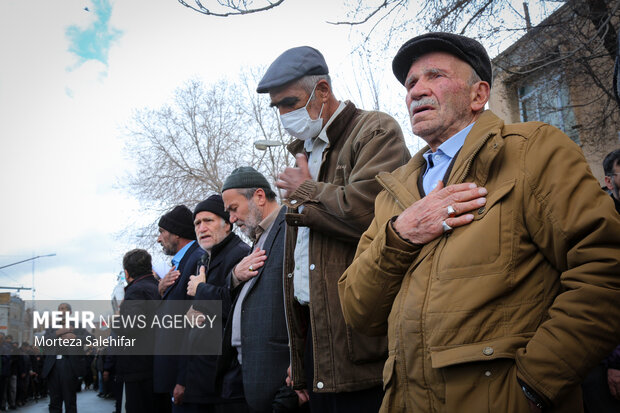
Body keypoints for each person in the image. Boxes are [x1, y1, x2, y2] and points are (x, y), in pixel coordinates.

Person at [338, 32, 620, 413]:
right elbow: (359, 310)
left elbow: (605, 268)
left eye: (434, 76)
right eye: (410, 83)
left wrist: (533, 386)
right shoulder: (393, 192)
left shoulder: (532, 150)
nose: (415, 91)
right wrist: (401, 234)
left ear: (478, 95)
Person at [257, 46, 410, 412]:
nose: (283, 114)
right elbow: (306, 266)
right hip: (320, 346)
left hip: (365, 345)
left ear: (322, 90)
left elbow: (376, 214)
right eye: (277, 106)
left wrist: (307, 191)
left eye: (289, 102)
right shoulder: (304, 154)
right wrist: (302, 352)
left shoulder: (375, 130)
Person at [218, 167, 299, 412]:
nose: (231, 219)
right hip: (250, 378)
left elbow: (305, 304)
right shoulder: (258, 238)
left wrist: (300, 367)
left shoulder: (291, 227)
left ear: (260, 197)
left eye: (234, 209)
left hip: (280, 383)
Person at [179, 194, 250, 413]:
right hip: (202, 381)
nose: (201, 228)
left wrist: (202, 293)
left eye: (208, 221)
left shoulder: (241, 255)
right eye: (197, 223)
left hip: (227, 385)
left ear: (227, 223)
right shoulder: (205, 260)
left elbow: (241, 310)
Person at [152, 205, 204, 413]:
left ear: (177, 234)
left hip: (185, 381)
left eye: (162, 232)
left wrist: (183, 379)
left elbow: (195, 327)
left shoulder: (196, 260)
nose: (158, 239)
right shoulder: (179, 265)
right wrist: (160, 290)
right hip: (175, 378)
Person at [116, 249, 160, 413]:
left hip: (138, 368)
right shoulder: (157, 286)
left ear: (127, 273)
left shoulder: (135, 291)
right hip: (155, 364)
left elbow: (130, 326)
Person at [41, 303, 87, 413]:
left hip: (69, 364)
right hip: (53, 365)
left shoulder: (77, 326)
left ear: (70, 312)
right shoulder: (52, 328)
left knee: (69, 400)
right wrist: (57, 332)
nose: (61, 311)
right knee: (54, 400)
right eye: (60, 309)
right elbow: (43, 342)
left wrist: (75, 337)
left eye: (64, 309)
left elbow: (91, 339)